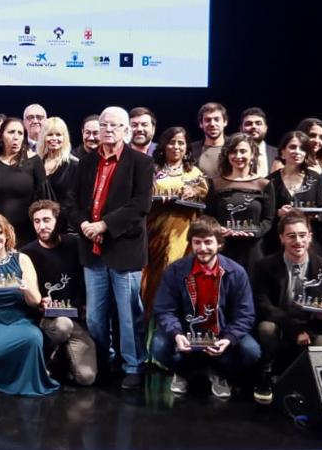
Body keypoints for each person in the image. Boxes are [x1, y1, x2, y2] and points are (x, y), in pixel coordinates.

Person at [73, 106, 152, 390]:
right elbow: (73, 201)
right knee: (95, 315)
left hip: (124, 248)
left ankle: (133, 364)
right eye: (103, 124)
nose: (107, 129)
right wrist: (84, 224)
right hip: (91, 248)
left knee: (129, 313)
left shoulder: (141, 163)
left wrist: (104, 226)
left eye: (114, 125)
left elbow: (140, 205)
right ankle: (102, 361)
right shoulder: (84, 162)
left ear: (126, 130)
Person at [152, 216, 261, 399]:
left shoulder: (236, 272)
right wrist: (177, 334)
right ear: (191, 244)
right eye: (197, 242)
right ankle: (183, 372)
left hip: (221, 332)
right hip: (186, 331)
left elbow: (245, 314)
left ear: (219, 244)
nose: (202, 248)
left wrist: (229, 338)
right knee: (158, 347)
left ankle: (221, 374)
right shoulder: (175, 270)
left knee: (252, 351)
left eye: (208, 242)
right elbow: (164, 309)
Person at [250, 214, 322, 405]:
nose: (298, 241)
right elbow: (264, 306)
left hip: (312, 328)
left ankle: (319, 390)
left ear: (310, 236)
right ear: (281, 238)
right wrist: (296, 330)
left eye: (302, 235)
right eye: (291, 236)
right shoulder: (265, 266)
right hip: (280, 324)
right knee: (266, 329)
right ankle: (264, 375)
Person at [0, 212, 60, 396]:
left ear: (7, 234)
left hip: (20, 319)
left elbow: (34, 302)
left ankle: (29, 383)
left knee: (33, 339)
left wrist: (25, 288)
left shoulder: (22, 259)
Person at [20, 200, 95, 386]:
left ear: (57, 220)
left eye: (46, 220)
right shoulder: (26, 253)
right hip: (48, 320)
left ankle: (61, 356)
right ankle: (46, 357)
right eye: (37, 221)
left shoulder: (74, 244)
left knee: (87, 378)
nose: (42, 226)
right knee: (62, 325)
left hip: (76, 318)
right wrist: (38, 302)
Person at [143, 126, 208, 315]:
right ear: (164, 145)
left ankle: (172, 320)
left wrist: (193, 192)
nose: (176, 147)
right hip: (153, 232)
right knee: (150, 279)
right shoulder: (151, 169)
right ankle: (150, 327)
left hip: (182, 234)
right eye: (172, 142)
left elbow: (203, 195)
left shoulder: (194, 173)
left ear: (187, 147)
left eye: (181, 143)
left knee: (173, 273)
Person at [207, 132, 275, 269]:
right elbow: (207, 216)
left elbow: (268, 220)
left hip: (253, 249)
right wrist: (218, 229)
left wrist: (254, 232)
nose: (238, 156)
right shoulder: (215, 184)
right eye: (233, 151)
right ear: (227, 155)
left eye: (243, 151)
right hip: (223, 248)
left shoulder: (264, 184)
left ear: (252, 155)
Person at [0, 117, 50, 245]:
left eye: (20, 133)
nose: (16, 137)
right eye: (11, 132)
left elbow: (44, 199)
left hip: (27, 233)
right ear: (1, 136)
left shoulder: (34, 161)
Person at [269, 131, 322, 257]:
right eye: (292, 147)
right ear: (282, 152)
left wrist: (312, 215)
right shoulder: (270, 181)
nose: (297, 151)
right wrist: (278, 213)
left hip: (308, 242)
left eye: (302, 148)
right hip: (278, 242)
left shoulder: (315, 178)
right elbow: (266, 214)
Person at [38, 117, 80, 233]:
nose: (54, 138)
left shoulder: (74, 165)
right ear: (43, 137)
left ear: (65, 138)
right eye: (50, 134)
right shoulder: (35, 163)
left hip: (65, 228)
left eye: (58, 135)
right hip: (38, 227)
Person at [189, 102, 228, 178]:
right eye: (208, 120)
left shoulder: (235, 147)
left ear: (225, 122)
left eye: (217, 119)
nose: (212, 124)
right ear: (201, 124)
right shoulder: (191, 149)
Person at [239, 107, 277, 176]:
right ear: (241, 129)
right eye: (248, 124)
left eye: (258, 123)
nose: (253, 126)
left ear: (266, 128)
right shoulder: (233, 154)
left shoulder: (277, 154)